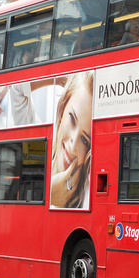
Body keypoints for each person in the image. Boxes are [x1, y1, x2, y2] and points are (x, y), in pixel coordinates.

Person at [50, 72, 94, 209]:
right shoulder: (38, 151)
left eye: (84, 140)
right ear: (62, 109)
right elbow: (17, 89)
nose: (73, 144)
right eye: (72, 119)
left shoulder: (86, 195)